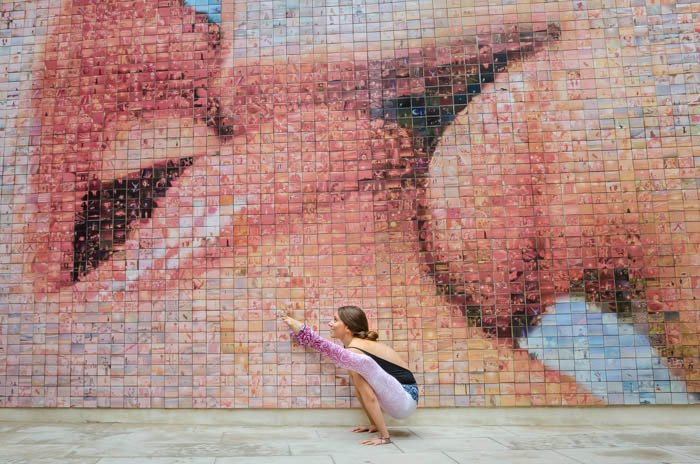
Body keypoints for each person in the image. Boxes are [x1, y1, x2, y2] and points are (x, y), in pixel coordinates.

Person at [280, 306, 418, 445]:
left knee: (357, 372)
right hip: (402, 398)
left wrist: (384, 437)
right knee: (355, 372)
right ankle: (375, 424)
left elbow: (323, 345)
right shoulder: (355, 348)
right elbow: (320, 345)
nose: (330, 324)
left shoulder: (356, 349)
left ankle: (384, 436)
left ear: (347, 327)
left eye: (335, 320)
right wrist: (294, 325)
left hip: (406, 398)